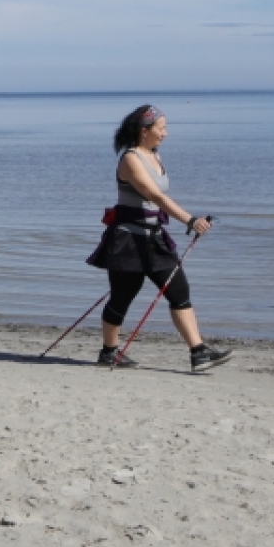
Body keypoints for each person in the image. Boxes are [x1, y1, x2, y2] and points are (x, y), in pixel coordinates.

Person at [89, 104, 232, 372]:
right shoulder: (131, 159)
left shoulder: (155, 155)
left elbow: (158, 200)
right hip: (128, 241)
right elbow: (155, 196)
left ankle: (198, 352)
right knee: (122, 297)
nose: (165, 133)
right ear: (144, 131)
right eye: (161, 128)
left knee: (179, 292)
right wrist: (190, 220)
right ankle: (109, 353)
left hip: (155, 239)